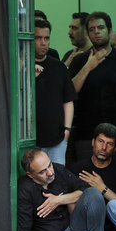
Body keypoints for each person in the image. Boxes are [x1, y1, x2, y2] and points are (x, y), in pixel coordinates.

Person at [17, 148, 105, 231]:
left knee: (93, 194)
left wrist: (59, 200)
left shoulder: (57, 170)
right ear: (30, 175)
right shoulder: (25, 190)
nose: (49, 172)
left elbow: (84, 188)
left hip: (70, 229)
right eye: (42, 171)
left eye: (49, 165)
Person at [69, 11, 116, 160]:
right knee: (86, 181)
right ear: (87, 33)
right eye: (92, 29)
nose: (96, 32)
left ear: (109, 31)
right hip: (86, 135)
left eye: (100, 28)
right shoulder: (79, 61)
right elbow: (70, 92)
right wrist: (88, 66)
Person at [34, 19, 77, 166]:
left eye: (46, 38)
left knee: (57, 179)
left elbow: (68, 101)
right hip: (31, 139)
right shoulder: (21, 66)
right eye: (38, 38)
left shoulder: (58, 67)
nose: (43, 42)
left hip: (57, 138)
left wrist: (67, 131)